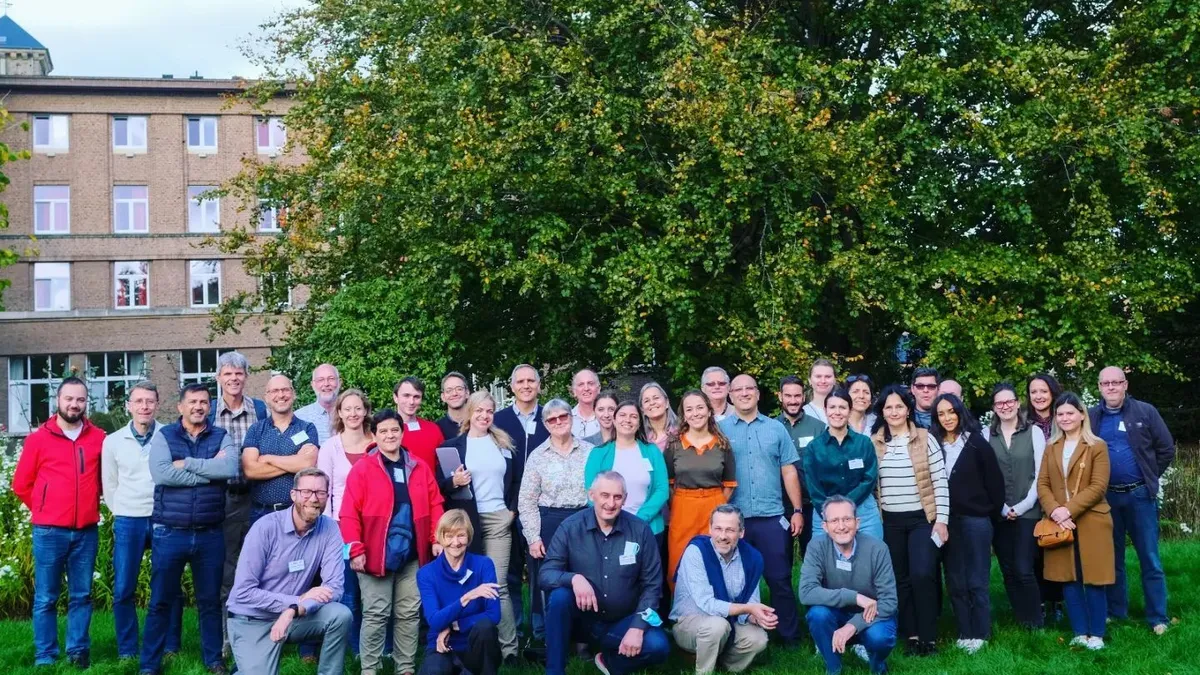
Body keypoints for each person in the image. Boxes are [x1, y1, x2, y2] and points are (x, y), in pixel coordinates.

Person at [140, 383, 240, 675]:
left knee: (210, 602)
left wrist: (189, 463)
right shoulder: (165, 436)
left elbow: (229, 469)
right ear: (180, 407)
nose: (198, 407)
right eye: (193, 402)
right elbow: (162, 474)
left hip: (210, 533)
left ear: (209, 407)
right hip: (170, 532)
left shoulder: (220, 436)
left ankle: (214, 660)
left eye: (204, 402)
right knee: (160, 601)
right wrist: (208, 473)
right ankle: (149, 664)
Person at [341, 409, 446, 675]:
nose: (390, 435)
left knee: (408, 613)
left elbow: (435, 504)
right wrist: (355, 549)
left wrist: (436, 538)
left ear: (402, 432)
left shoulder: (418, 466)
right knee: (376, 613)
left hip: (412, 555)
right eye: (384, 431)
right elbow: (348, 513)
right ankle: (369, 668)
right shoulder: (363, 468)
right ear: (374, 435)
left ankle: (405, 667)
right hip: (375, 554)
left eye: (394, 430)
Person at [538, 471, 671, 675]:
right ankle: (555, 670)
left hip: (623, 620)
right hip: (581, 622)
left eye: (617, 497)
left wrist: (637, 628)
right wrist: (574, 578)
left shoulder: (640, 530)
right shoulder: (570, 527)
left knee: (658, 646)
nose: (610, 503)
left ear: (625, 499)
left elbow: (652, 586)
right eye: (605, 495)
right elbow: (545, 574)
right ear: (592, 495)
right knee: (559, 597)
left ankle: (611, 662)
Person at [13, 376, 105, 669]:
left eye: (80, 399)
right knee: (46, 597)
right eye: (69, 398)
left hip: (86, 532)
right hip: (49, 532)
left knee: (82, 596)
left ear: (86, 402)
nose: (74, 404)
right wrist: (45, 509)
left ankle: (78, 652)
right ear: (58, 400)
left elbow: (105, 479)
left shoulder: (98, 438)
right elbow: (21, 484)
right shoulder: (38, 439)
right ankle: (46, 655)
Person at [226, 468, 352, 675]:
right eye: (306, 492)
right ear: (293, 495)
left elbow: (334, 588)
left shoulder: (329, 528)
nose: (314, 499)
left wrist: (295, 609)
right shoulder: (264, 528)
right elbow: (243, 592)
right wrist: (295, 602)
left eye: (320, 493)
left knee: (340, 615)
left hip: (294, 617)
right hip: (252, 619)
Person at [719, 374, 805, 646]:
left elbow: (788, 470)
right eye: (738, 389)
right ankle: (736, 635)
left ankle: (789, 637)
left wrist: (797, 510)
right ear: (730, 395)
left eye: (750, 389)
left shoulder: (776, 429)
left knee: (780, 579)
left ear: (758, 394)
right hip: (734, 520)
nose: (744, 393)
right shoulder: (719, 430)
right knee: (734, 582)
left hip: (771, 517)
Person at [437, 391, 521, 661]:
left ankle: (509, 650)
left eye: (489, 411)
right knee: (466, 583)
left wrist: (511, 511)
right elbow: (440, 487)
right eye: (479, 411)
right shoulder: (452, 447)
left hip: (498, 519)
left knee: (498, 585)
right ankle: (469, 644)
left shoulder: (504, 443)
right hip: (466, 521)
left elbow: (517, 481)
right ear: (469, 413)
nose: (485, 416)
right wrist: (454, 482)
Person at [1090, 366, 1174, 634]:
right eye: (1106, 383)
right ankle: (1117, 612)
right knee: (1112, 558)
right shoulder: (1091, 417)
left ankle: (1158, 617)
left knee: (1149, 557)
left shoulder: (1145, 412)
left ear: (1125, 385)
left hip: (1140, 496)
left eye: (1116, 382)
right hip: (1106, 498)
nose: (1111, 387)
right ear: (1099, 387)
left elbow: (1166, 448)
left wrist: (1149, 476)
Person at [101, 381, 181, 662]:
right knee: (124, 588)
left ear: (157, 404)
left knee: (168, 585)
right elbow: (110, 484)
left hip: (163, 517)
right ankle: (127, 649)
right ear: (129, 406)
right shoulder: (113, 441)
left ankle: (170, 646)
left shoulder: (169, 435)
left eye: (149, 401)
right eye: (138, 401)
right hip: (128, 520)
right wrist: (121, 510)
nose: (144, 406)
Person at [870, 384, 948, 656]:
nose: (894, 412)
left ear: (908, 409)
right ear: (882, 411)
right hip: (889, 522)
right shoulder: (874, 442)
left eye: (899, 407)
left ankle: (929, 637)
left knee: (922, 574)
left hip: (921, 520)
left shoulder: (925, 438)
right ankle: (912, 636)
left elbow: (940, 481)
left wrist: (942, 521)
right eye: (888, 407)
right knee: (900, 578)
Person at [1038, 392, 1115, 650]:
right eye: (1060, 414)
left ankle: (1097, 634)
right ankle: (1080, 632)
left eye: (1070, 413)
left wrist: (1067, 511)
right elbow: (1043, 484)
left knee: (1094, 576)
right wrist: (1055, 512)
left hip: (1092, 518)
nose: (1065, 418)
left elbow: (1098, 486)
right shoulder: (1051, 447)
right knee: (1068, 576)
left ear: (1082, 415)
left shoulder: (1097, 446)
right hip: (1059, 522)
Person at [518, 398, 594, 649]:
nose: (558, 422)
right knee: (549, 578)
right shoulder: (537, 456)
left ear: (571, 418)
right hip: (550, 521)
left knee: (585, 575)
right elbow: (526, 501)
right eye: (552, 419)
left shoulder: (590, 451)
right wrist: (533, 537)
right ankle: (546, 635)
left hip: (584, 518)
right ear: (546, 424)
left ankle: (583, 637)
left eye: (563, 416)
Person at [930, 393, 1004, 653]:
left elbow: (995, 485)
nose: (947, 418)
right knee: (955, 579)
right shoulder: (933, 445)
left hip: (976, 521)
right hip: (946, 522)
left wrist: (988, 516)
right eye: (941, 414)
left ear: (960, 412)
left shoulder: (976, 443)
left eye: (951, 411)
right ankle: (964, 631)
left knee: (977, 579)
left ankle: (981, 632)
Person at [209, 351, 269, 660]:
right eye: (227, 374)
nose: (233, 379)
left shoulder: (260, 409)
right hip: (222, 499)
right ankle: (226, 638)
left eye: (239, 373)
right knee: (227, 570)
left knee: (261, 567)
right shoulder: (208, 411)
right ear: (218, 377)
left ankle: (262, 635)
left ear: (246, 376)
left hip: (257, 497)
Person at [800, 496, 898, 675]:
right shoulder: (816, 547)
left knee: (880, 637)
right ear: (825, 526)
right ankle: (833, 668)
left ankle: (878, 667)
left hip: (871, 616)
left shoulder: (878, 548)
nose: (841, 526)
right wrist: (854, 597)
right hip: (835, 613)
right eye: (834, 520)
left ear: (857, 522)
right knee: (817, 615)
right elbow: (806, 592)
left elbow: (889, 602)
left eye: (847, 519)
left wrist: (852, 625)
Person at [671, 505, 772, 675]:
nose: (723, 536)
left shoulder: (751, 558)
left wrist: (756, 616)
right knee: (717, 625)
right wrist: (748, 609)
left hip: (729, 622)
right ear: (710, 529)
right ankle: (704, 671)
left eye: (730, 530)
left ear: (741, 532)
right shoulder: (696, 552)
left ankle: (724, 667)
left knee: (758, 638)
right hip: (689, 622)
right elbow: (707, 604)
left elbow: (751, 602)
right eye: (718, 529)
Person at [491, 363, 549, 636]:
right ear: (512, 387)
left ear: (538, 385)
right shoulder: (497, 420)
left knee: (540, 570)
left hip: (542, 506)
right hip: (507, 506)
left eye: (531, 381)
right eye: (520, 381)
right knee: (510, 570)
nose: (526, 385)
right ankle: (513, 630)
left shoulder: (550, 417)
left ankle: (541, 631)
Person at [315, 388, 374, 654]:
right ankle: (354, 649)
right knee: (349, 591)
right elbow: (323, 491)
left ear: (366, 411)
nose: (353, 413)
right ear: (339, 412)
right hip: (341, 529)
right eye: (347, 409)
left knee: (376, 592)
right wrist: (329, 529)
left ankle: (380, 647)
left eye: (358, 408)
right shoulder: (330, 447)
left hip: (375, 527)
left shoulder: (377, 442)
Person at [984, 382, 1047, 629]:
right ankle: (1021, 618)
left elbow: (1040, 474)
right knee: (1008, 569)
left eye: (1009, 401)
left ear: (1017, 403)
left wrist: (1022, 506)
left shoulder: (1034, 432)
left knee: (1023, 568)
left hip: (1028, 511)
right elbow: (985, 475)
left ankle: (1036, 620)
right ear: (994, 407)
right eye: (999, 403)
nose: (1005, 406)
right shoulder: (986, 434)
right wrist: (1001, 507)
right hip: (998, 512)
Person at [664, 391, 737, 590]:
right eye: (689, 409)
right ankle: (681, 606)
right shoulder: (674, 444)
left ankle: (717, 604)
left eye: (699, 407)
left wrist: (717, 505)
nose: (695, 413)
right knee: (679, 558)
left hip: (714, 504)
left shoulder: (722, 444)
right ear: (684, 415)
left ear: (709, 410)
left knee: (715, 557)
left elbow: (729, 484)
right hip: (683, 505)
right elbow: (668, 483)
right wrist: (681, 502)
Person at [416, 509, 503, 675]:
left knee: (485, 627)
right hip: (441, 644)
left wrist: (455, 625)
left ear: (468, 537)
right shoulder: (426, 573)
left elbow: (494, 615)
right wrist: (467, 597)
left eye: (461, 535)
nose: (455, 542)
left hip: (475, 645)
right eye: (449, 536)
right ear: (440, 537)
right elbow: (435, 621)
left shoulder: (484, 565)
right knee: (435, 670)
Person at [242, 375, 321, 524]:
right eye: (275, 391)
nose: (281, 395)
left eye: (285, 390)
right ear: (266, 397)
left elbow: (307, 464)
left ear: (293, 394)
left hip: (298, 512)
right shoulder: (256, 430)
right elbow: (250, 470)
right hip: (261, 513)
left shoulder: (307, 428)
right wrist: (294, 462)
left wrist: (268, 458)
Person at [804, 389, 882, 541]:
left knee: (871, 553)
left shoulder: (864, 443)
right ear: (825, 410)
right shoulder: (814, 447)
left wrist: (846, 504)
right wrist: (832, 510)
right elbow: (813, 485)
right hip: (825, 510)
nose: (837, 412)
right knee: (824, 555)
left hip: (862, 509)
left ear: (850, 410)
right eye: (832, 407)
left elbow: (870, 478)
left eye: (842, 407)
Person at [585, 400, 670, 538]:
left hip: (648, 528)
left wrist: (639, 519)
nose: (628, 420)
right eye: (622, 415)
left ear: (639, 423)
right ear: (614, 420)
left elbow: (662, 490)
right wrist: (613, 519)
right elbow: (591, 492)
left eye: (633, 416)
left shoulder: (652, 451)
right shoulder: (598, 453)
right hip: (610, 528)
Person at [1027, 373, 1065, 621]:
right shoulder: (1023, 421)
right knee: (1035, 550)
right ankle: (1039, 599)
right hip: (1031, 493)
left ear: (1052, 392)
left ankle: (1058, 600)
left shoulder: (1063, 417)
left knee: (1058, 546)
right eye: (1034, 392)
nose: (1039, 396)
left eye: (1043, 391)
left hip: (1059, 491)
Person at [777, 374, 826, 555]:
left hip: (811, 503)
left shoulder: (819, 427)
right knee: (781, 558)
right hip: (780, 505)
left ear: (804, 396)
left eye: (797, 396)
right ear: (780, 396)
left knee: (814, 556)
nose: (793, 401)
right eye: (788, 396)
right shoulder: (771, 427)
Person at [393, 376, 447, 467]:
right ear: (395, 398)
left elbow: (444, 465)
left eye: (416, 397)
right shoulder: (385, 431)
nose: (411, 402)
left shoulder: (432, 429)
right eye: (406, 396)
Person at [295, 363, 342, 446]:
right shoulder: (300, 417)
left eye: (331, 379)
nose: (326, 384)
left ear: (340, 383)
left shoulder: (352, 415)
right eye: (320, 380)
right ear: (313, 385)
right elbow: (295, 447)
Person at [640, 382, 678, 453]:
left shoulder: (681, 432)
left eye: (656, 398)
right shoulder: (641, 439)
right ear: (642, 409)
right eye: (646, 401)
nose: (652, 403)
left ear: (667, 402)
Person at [436, 371, 470, 440]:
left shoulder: (480, 423)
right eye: (449, 390)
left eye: (459, 389)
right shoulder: (437, 428)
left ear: (467, 393)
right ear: (443, 397)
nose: (454, 393)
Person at [803, 359, 838, 424]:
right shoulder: (802, 413)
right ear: (809, 380)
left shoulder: (845, 411)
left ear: (834, 380)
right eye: (818, 376)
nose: (823, 381)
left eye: (828, 377)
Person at [571, 368, 602, 439]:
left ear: (598, 388)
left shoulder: (609, 417)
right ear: (574, 391)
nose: (586, 388)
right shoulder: (567, 420)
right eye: (581, 384)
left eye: (590, 383)